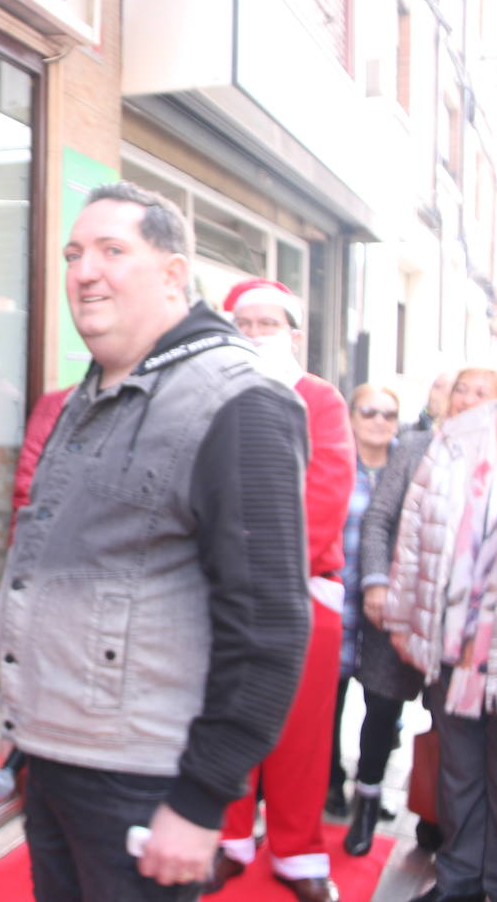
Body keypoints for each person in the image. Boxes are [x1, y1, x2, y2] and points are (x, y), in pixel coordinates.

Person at [0, 182, 311, 901]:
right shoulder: (94, 391)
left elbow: (268, 623)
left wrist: (203, 798)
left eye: (113, 250)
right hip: (57, 761)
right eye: (75, 253)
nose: (84, 270)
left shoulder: (239, 400)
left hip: (140, 782)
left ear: (174, 274)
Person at [210, 279, 355, 902]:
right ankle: (228, 837)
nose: (256, 334)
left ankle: (298, 849)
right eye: (245, 323)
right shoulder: (211, 393)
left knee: (302, 730)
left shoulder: (320, 399)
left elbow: (327, 490)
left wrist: (261, 564)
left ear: (295, 335)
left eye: (269, 324)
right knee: (226, 719)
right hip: (223, 590)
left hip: (300, 588)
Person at [354, 368, 497, 847]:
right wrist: (378, 585)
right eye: (463, 389)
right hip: (408, 615)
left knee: (462, 746)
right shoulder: (417, 448)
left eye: (484, 392)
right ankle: (368, 805)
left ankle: (440, 829)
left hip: (474, 641)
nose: (470, 400)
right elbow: (382, 521)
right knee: (385, 713)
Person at [385, 395, 497, 902]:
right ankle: (458, 883)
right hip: (456, 644)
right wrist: (407, 619)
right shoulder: (456, 436)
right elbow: (413, 536)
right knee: (459, 774)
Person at [327, 383, 400, 854]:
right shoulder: (332, 460)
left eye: (388, 414)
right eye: (369, 411)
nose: (378, 421)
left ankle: (369, 793)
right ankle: (329, 780)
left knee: (382, 708)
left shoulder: (409, 467)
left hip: (386, 612)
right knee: (326, 703)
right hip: (337, 601)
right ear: (351, 415)